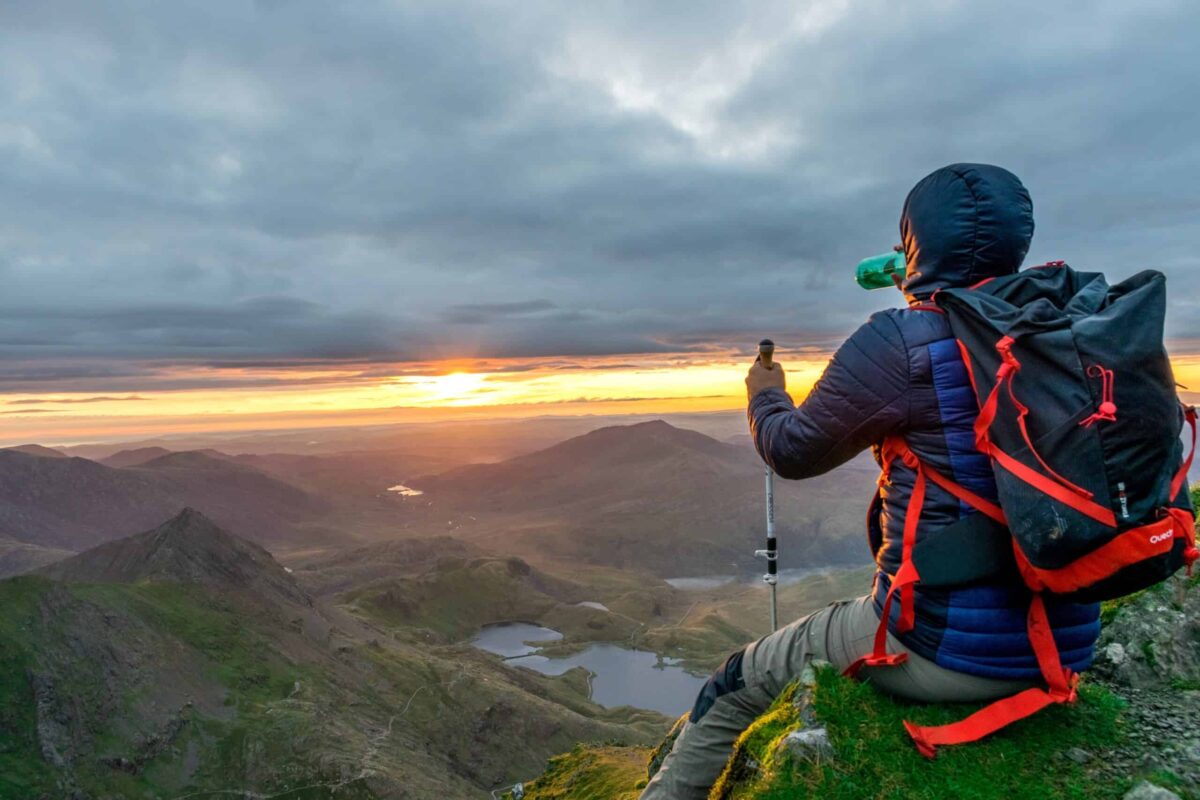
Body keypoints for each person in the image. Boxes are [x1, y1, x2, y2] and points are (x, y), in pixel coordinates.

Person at [639, 164, 1102, 800]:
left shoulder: (902, 339)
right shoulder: (1073, 330)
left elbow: (792, 451)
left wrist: (766, 395)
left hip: (944, 650)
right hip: (1071, 637)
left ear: (916, 242)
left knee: (735, 679)